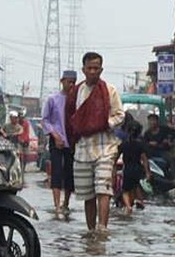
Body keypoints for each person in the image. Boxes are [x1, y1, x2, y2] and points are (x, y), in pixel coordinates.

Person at [65, 52, 124, 232]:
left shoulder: (109, 91)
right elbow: (69, 119)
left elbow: (120, 115)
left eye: (96, 68)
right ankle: (91, 231)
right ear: (83, 70)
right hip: (82, 148)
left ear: (101, 69)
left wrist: (105, 123)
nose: (92, 71)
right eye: (89, 68)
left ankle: (102, 229)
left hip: (104, 146)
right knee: (87, 193)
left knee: (103, 188)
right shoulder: (76, 92)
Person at [41, 69, 76, 219]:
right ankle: (57, 205)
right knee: (56, 173)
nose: (71, 85)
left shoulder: (76, 101)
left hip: (72, 142)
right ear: (62, 81)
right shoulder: (52, 99)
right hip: (56, 141)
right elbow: (45, 120)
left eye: (74, 82)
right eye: (69, 82)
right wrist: (55, 135)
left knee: (69, 174)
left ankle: (66, 203)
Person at [116, 120, 149, 214]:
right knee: (136, 186)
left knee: (125, 190)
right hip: (138, 169)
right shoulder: (140, 145)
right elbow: (145, 159)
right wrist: (147, 172)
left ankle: (128, 206)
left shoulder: (123, 145)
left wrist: (113, 169)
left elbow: (115, 158)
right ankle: (139, 201)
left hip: (127, 169)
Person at [143, 112, 175, 176]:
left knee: (172, 160)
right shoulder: (147, 133)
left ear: (157, 121)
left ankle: (174, 177)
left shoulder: (164, 129)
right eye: (150, 120)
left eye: (153, 120)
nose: (152, 122)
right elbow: (144, 143)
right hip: (152, 152)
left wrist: (169, 140)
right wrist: (149, 143)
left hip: (163, 151)